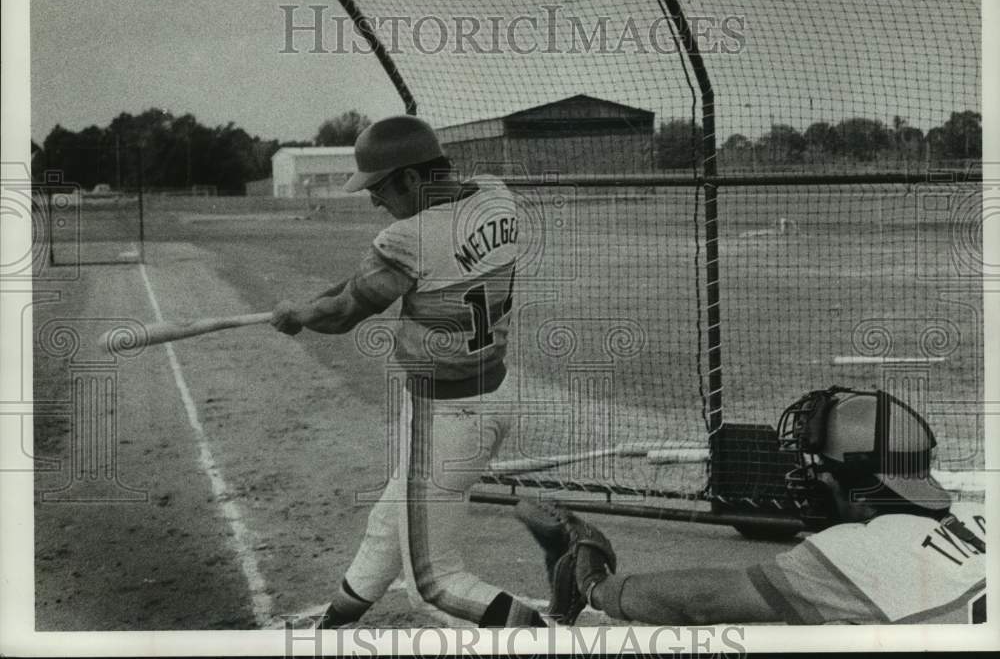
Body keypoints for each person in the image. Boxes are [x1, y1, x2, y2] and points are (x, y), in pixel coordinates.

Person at [271, 115, 547, 628]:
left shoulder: (406, 239)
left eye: (379, 187)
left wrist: (298, 317)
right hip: (493, 396)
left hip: (445, 414)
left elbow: (346, 312)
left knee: (435, 587)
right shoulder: (494, 194)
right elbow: (362, 284)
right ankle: (332, 626)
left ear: (414, 180)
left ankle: (546, 639)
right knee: (388, 523)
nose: (375, 200)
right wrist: (314, 303)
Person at [519, 386, 986, 625]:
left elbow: (701, 604)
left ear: (856, 483)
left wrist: (597, 584)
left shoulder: (857, 554)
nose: (809, 477)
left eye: (819, 467)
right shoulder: (982, 517)